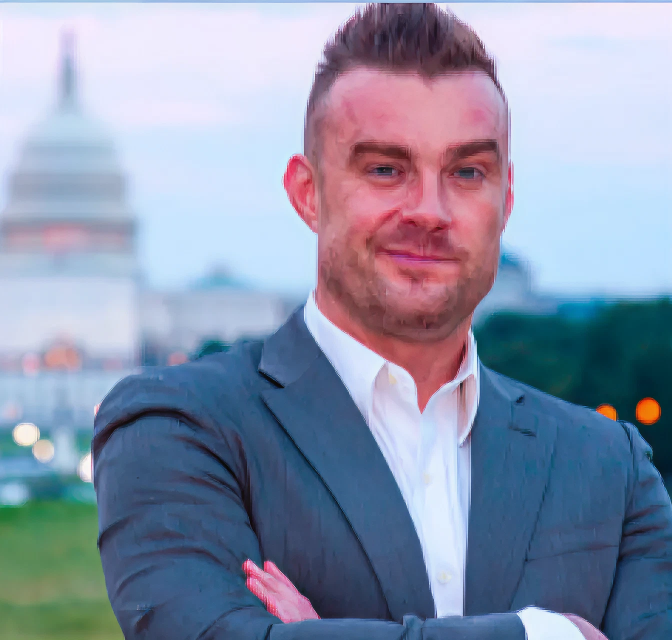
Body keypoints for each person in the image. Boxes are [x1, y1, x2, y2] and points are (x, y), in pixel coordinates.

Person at [93, 4, 672, 640]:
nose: (429, 210)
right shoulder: (180, 427)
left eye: (467, 172)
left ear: (505, 200)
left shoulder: (607, 466)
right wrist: (544, 634)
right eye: (386, 169)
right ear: (307, 193)